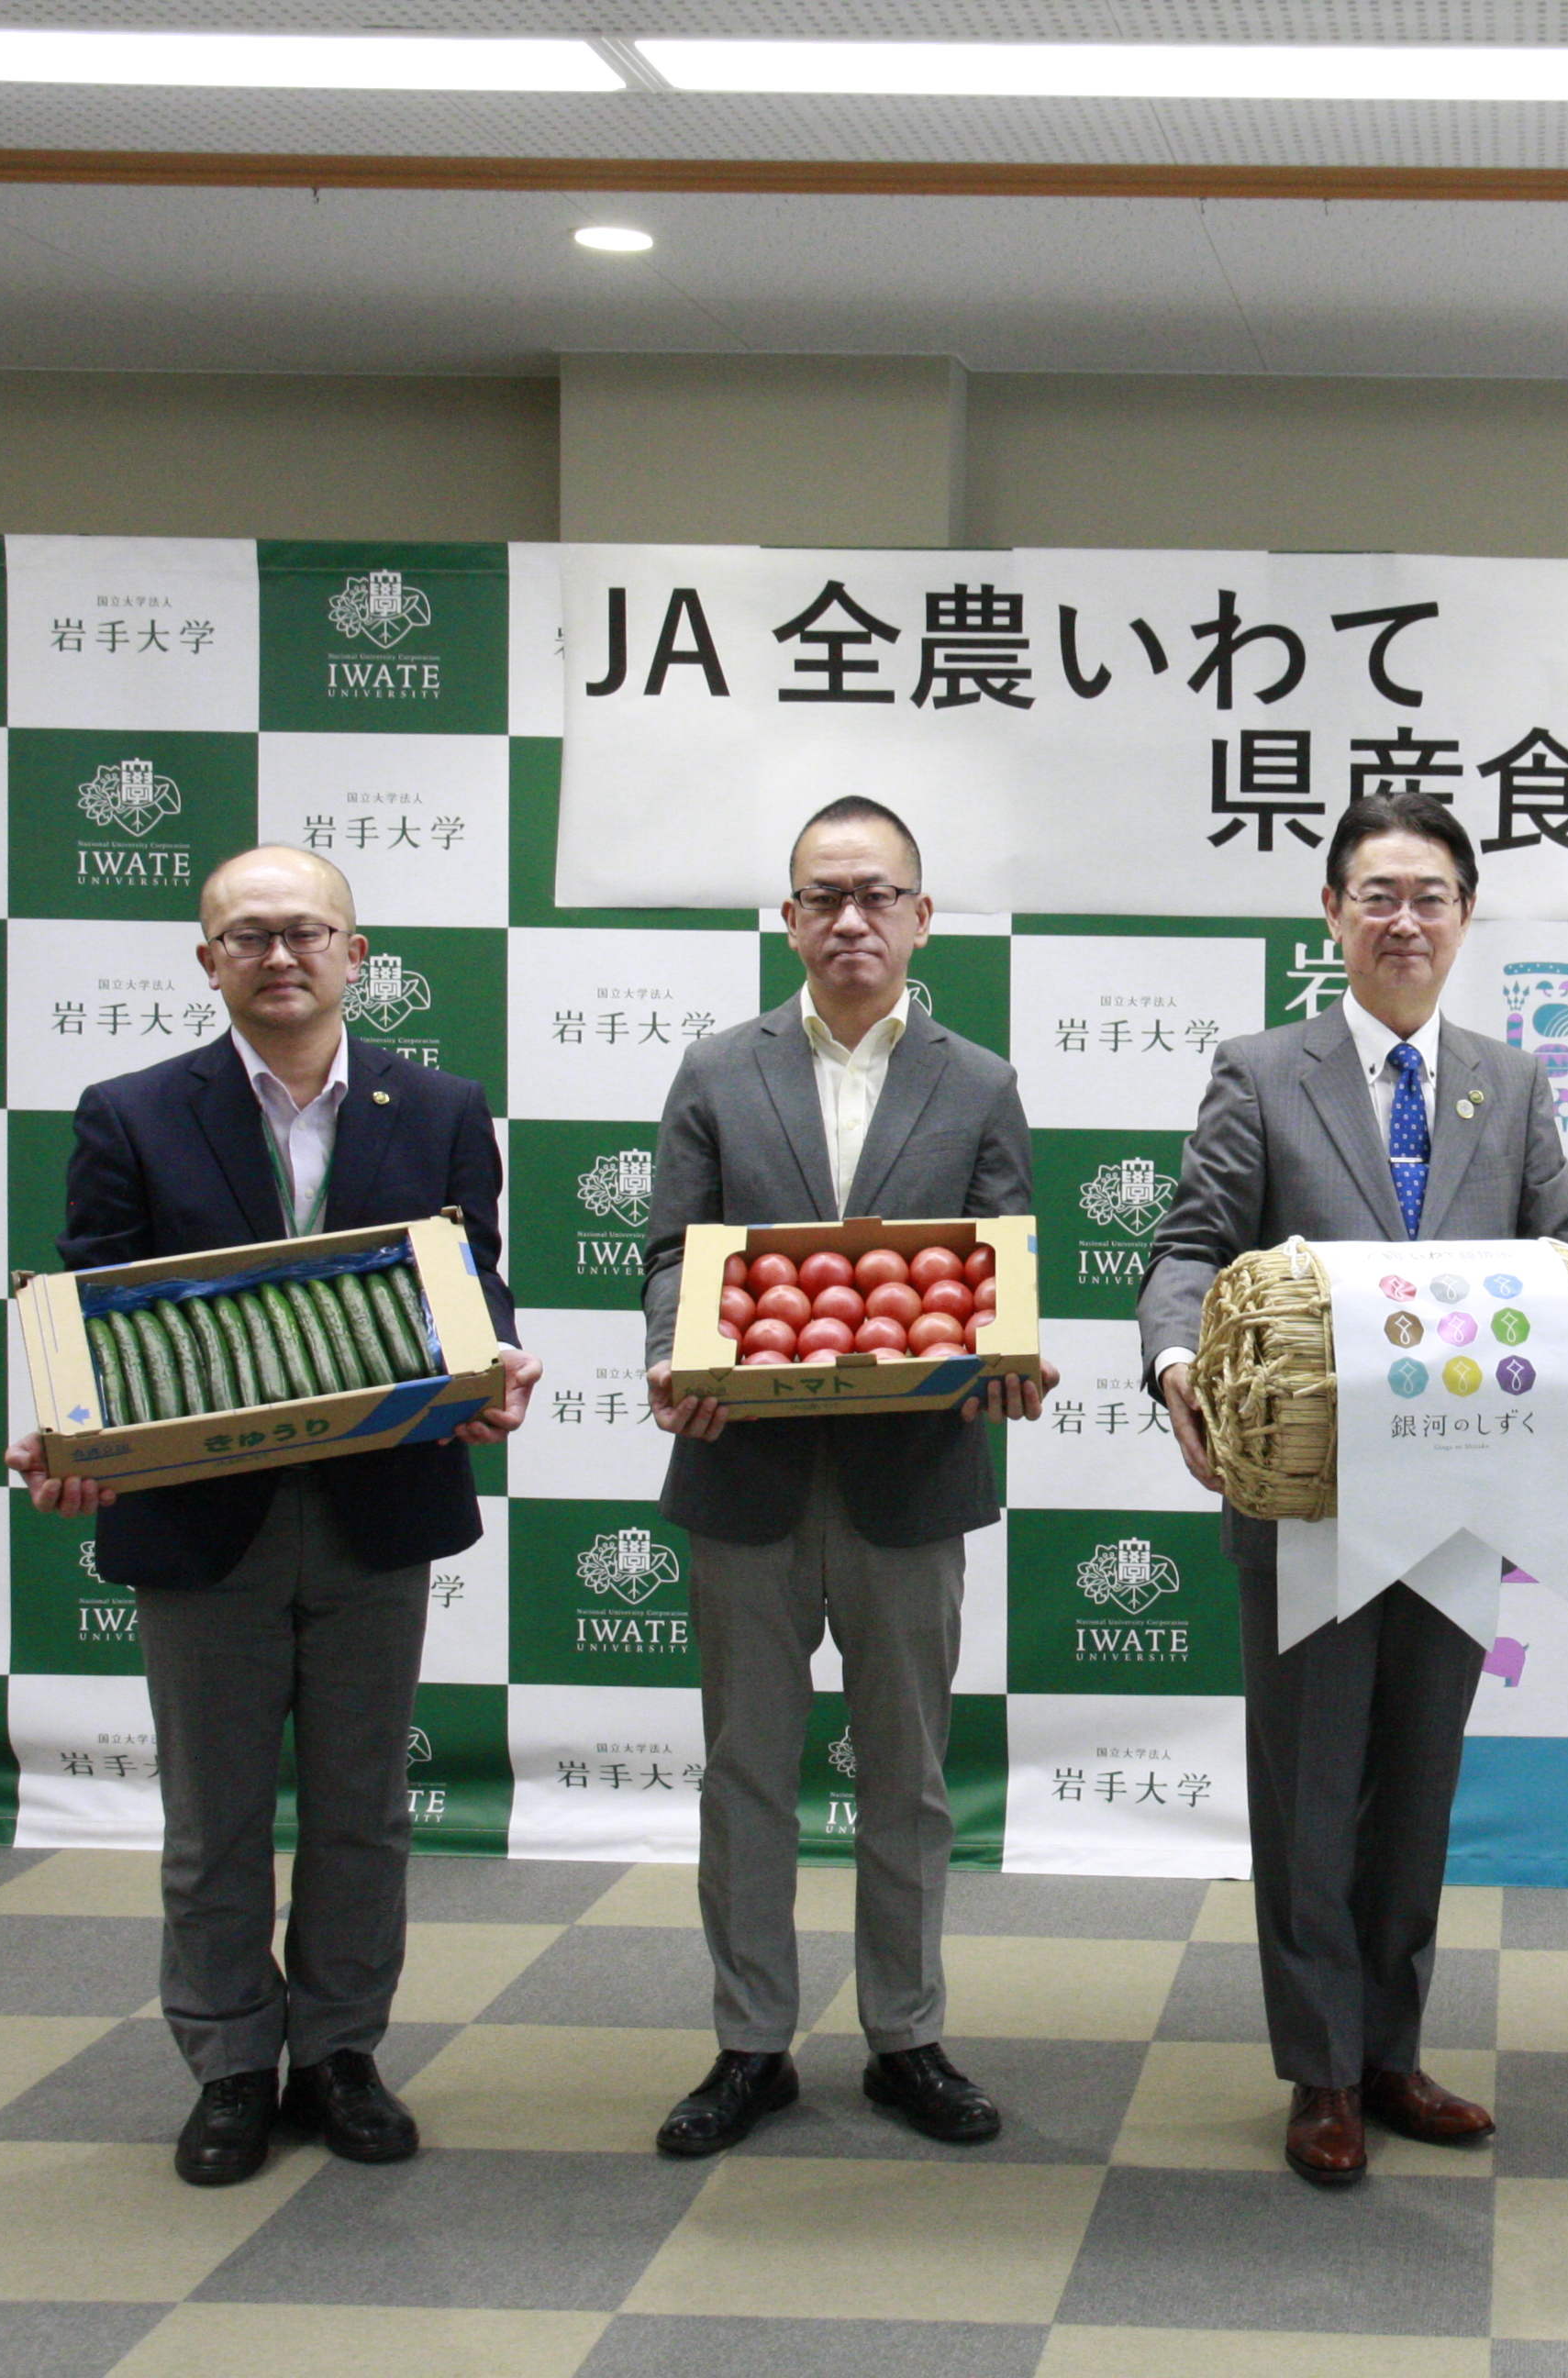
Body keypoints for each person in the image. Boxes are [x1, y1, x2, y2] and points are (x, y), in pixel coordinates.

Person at [5, 845, 540, 2188]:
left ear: (357, 953)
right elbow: (95, 1318)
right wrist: (77, 1441)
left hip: (376, 1511)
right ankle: (233, 2062)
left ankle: (342, 2053)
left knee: (363, 1808)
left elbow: (471, 1284)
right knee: (215, 1817)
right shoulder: (131, 1113)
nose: (280, 954)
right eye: (248, 935)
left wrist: (496, 1367)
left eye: (307, 930)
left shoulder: (440, 1107)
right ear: (209, 962)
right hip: (202, 1521)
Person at [1140, 789, 1568, 2184]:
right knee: (1311, 1793)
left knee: (1415, 1790)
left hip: (1464, 1496)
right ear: (1333, 914)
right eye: (1379, 896)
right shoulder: (1260, 1071)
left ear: (1465, 918)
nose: (1405, 921)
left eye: (1431, 898)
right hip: (1310, 1499)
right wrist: (1178, 1361)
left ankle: (1393, 2053)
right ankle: (1322, 2072)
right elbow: (1190, 1247)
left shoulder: (1508, 1083)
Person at [640, 795, 1052, 2159]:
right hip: (744, 1472)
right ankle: (750, 2043)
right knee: (745, 1771)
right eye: (824, 896)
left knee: (909, 1777)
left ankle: (905, 2036)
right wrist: (674, 1354)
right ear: (790, 918)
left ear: (922, 917)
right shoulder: (717, 1069)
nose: (850, 919)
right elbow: (674, 1251)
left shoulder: (979, 1081)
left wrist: (1006, 1359)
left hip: (909, 1478)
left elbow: (1001, 1259)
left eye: (877, 895)